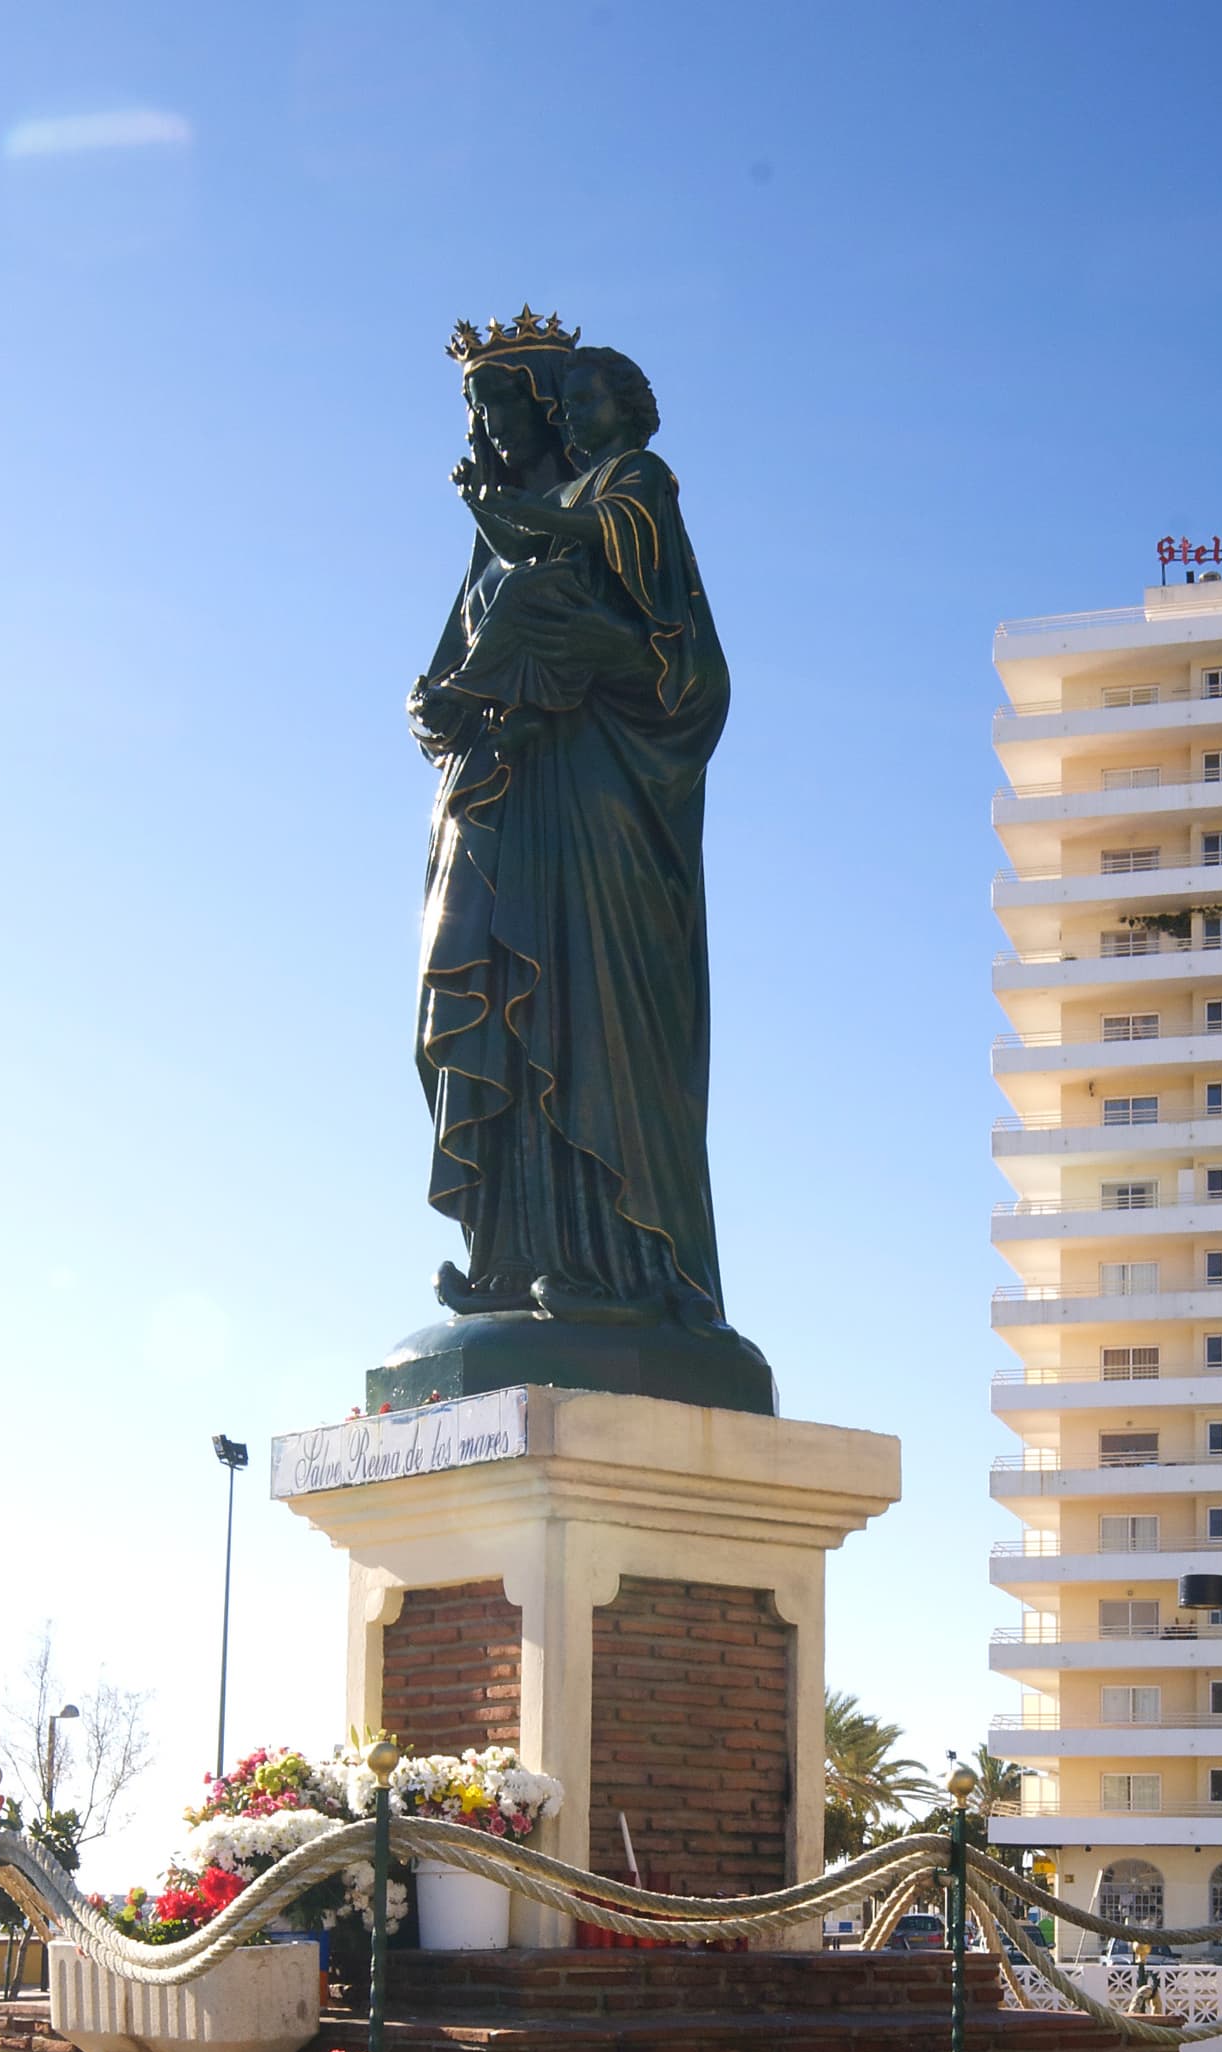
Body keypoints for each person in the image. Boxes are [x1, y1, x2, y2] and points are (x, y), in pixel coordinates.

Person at [411, 331, 732, 1331]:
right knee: (477, 1008)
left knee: (591, 1022)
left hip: (593, 813)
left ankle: (621, 1269)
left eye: (501, 411)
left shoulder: (619, 507)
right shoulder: (503, 545)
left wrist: (606, 656)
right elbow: (445, 673)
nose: (485, 435)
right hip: (493, 805)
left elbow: (689, 676)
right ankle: (506, 1253)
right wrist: (434, 708)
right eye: (473, 418)